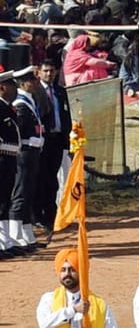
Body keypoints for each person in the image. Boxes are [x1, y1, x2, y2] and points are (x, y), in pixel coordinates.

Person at [34, 59, 71, 237]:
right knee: (42, 179)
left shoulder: (60, 92)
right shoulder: (35, 92)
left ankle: (51, 214)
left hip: (57, 140)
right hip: (42, 141)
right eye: (46, 71)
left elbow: (66, 116)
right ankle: (41, 215)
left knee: (52, 180)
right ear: (39, 72)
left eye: (52, 71)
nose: (49, 74)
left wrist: (68, 140)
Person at [13, 66, 45, 248]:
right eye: (31, 80)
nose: (34, 83)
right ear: (23, 83)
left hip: (33, 152)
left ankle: (26, 233)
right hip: (24, 152)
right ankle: (15, 234)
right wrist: (33, 138)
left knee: (29, 193)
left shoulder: (29, 100)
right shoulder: (20, 103)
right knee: (20, 193)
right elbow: (20, 130)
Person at [0, 81, 20, 259]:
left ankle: (5, 241)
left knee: (5, 202)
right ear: (2, 88)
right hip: (2, 160)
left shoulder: (7, 108)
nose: (15, 88)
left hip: (9, 159)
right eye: (11, 85)